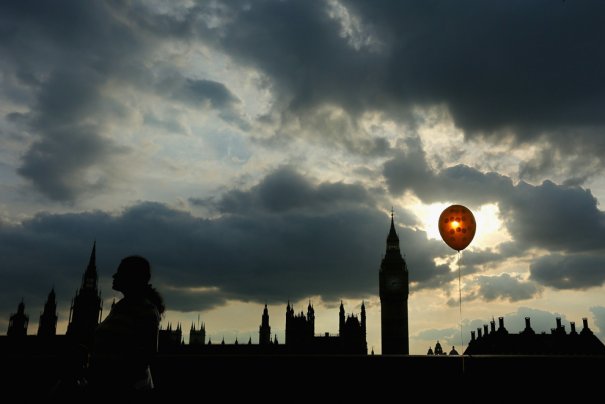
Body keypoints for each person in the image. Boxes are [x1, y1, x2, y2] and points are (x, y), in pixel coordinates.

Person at [90, 255, 165, 395]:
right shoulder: (120, 307)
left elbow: (146, 355)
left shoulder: (146, 310)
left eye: (119, 272)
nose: (114, 275)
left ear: (132, 277)